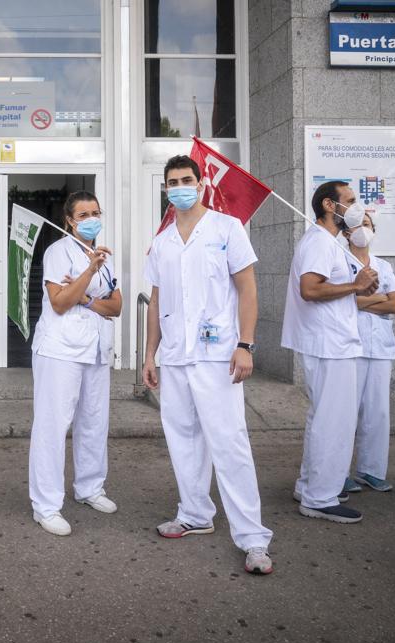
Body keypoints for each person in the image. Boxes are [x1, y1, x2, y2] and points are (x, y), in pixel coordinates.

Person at [142, 156, 273, 575]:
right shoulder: (162, 241)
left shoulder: (226, 228)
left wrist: (245, 344)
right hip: (176, 357)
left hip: (218, 356)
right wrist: (150, 355)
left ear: (200, 184)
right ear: (165, 189)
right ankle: (195, 513)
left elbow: (247, 287)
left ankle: (253, 539)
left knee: (229, 444)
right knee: (183, 439)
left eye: (186, 180)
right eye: (172, 182)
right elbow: (157, 302)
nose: (179, 186)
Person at [281, 180, 378, 524]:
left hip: (333, 341)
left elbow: (333, 287)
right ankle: (319, 498)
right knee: (333, 421)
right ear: (328, 205)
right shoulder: (319, 242)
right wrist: (356, 285)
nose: (357, 206)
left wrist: (359, 284)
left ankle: (311, 484)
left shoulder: (331, 243)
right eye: (350, 200)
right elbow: (310, 289)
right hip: (328, 343)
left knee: (325, 418)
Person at [28, 191, 122, 537]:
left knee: (94, 422)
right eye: (83, 214)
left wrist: (84, 296)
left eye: (96, 212)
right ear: (69, 220)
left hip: (96, 349)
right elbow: (59, 303)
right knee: (53, 426)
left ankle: (89, 488)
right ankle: (46, 505)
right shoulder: (58, 252)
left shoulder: (106, 256)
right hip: (61, 351)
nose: (91, 218)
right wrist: (89, 274)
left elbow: (117, 307)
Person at [343, 213, 395, 494]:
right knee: (345, 411)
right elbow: (346, 300)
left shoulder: (384, 266)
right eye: (357, 224)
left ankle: (371, 470)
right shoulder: (340, 263)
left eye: (367, 225)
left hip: (380, 346)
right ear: (345, 231)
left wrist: (365, 301)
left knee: (377, 411)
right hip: (349, 345)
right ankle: (338, 472)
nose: (362, 229)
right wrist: (378, 297)